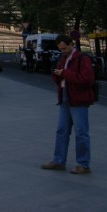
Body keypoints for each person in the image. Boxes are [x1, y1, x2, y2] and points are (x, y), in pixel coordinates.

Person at [41, 34, 95, 174]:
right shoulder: (63, 58)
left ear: (72, 44)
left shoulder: (83, 59)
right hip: (65, 98)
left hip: (78, 100)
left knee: (81, 132)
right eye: (61, 49)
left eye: (64, 48)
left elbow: (87, 79)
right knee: (61, 130)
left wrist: (64, 73)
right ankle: (59, 161)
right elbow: (60, 77)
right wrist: (57, 74)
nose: (63, 51)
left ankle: (83, 164)